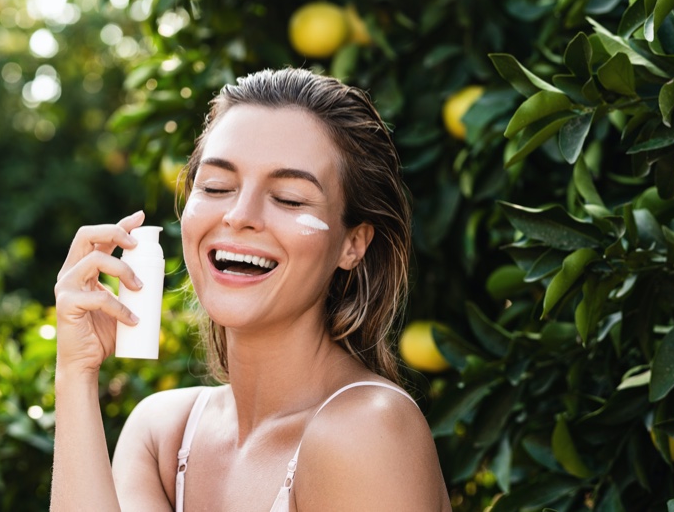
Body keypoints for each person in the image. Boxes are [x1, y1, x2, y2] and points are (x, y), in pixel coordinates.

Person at [51, 67, 452, 511]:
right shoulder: (163, 434)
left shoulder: (368, 431)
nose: (240, 215)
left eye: (290, 198)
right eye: (217, 186)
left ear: (352, 244)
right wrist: (75, 374)